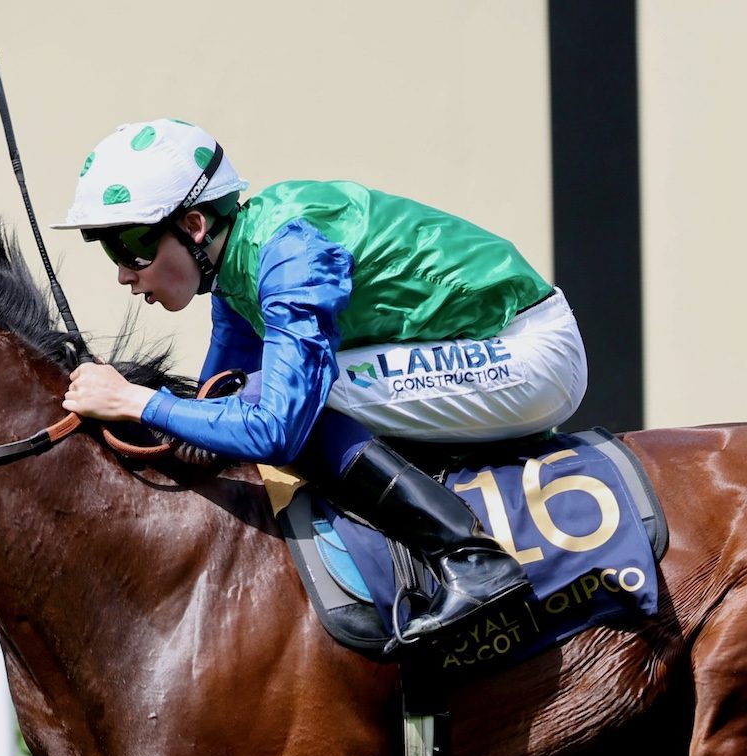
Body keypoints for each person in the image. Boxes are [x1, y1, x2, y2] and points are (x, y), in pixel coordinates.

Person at [52, 119, 588, 645]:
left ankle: (472, 559)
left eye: (130, 247)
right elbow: (215, 393)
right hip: (480, 348)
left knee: (284, 396)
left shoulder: (290, 255)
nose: (124, 273)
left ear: (193, 225)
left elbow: (275, 428)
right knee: (250, 389)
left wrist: (135, 399)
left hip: (526, 352)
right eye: (110, 251)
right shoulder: (237, 267)